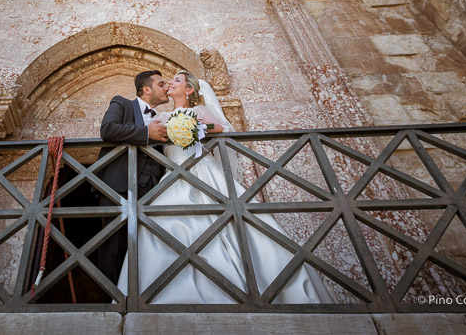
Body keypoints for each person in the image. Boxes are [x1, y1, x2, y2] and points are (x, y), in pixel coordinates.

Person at [115, 70, 333, 304]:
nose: (170, 83)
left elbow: (223, 128)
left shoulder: (200, 111)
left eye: (176, 80)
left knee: (234, 222)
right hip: (173, 174)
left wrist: (195, 126)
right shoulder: (162, 116)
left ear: (189, 90)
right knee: (163, 223)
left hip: (204, 171)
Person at [92, 70, 170, 285]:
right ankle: (111, 300)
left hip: (153, 192)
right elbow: (108, 130)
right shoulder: (122, 103)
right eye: (161, 84)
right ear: (146, 89)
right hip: (117, 186)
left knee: (148, 247)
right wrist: (146, 133)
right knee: (114, 246)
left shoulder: (164, 119)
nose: (167, 88)